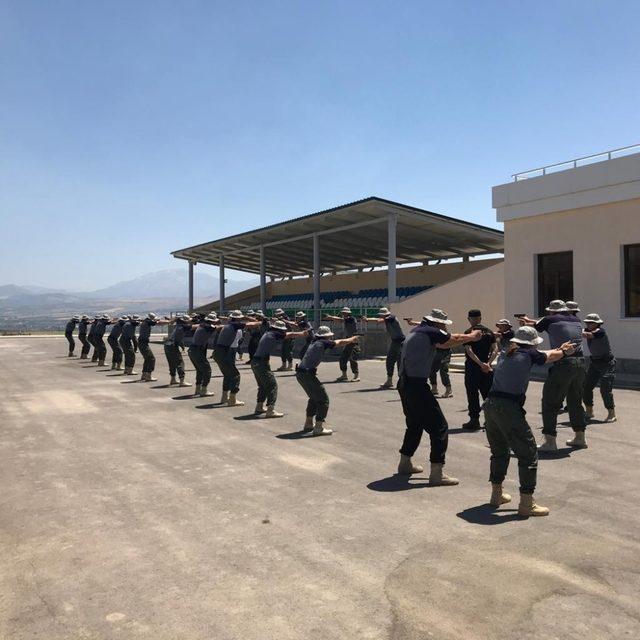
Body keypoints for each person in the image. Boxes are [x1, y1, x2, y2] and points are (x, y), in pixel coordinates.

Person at [483, 326, 575, 517]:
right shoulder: (528, 354)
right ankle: (526, 503)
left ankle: (496, 495)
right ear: (532, 343)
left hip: (491, 405)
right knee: (528, 453)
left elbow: (544, 353)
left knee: (499, 451)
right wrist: (565, 351)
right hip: (508, 407)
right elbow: (549, 357)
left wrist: (559, 348)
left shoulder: (508, 352)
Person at [396, 309, 482, 485]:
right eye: (443, 324)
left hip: (405, 383)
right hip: (417, 386)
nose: (444, 327)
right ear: (437, 323)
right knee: (439, 427)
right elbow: (453, 339)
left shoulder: (418, 331)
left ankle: (405, 463)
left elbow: (443, 344)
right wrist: (472, 336)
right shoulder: (431, 331)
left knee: (415, 424)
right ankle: (436, 473)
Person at [519, 300, 587, 450]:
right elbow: (548, 322)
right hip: (581, 362)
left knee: (550, 402)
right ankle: (580, 437)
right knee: (575, 401)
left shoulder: (549, 319)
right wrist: (532, 320)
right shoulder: (575, 319)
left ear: (551, 311)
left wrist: (524, 323)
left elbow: (536, 327)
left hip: (563, 363)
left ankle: (550, 441)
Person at [295, 326, 359, 436]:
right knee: (323, 400)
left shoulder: (314, 342)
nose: (330, 338)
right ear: (326, 336)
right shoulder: (322, 342)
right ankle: (318, 427)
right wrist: (351, 340)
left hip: (301, 373)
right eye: (329, 336)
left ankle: (309, 423)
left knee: (314, 398)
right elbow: (338, 342)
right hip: (307, 374)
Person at [251, 319, 308, 417]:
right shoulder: (273, 334)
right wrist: (302, 333)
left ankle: (259, 406)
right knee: (272, 385)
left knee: (263, 386)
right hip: (261, 363)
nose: (283, 332)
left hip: (256, 361)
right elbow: (289, 335)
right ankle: (270, 410)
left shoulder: (268, 333)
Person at [213, 311, 262, 406]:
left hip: (219, 352)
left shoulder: (229, 324)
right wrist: (261, 322)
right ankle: (232, 400)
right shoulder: (235, 325)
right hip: (224, 352)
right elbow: (251, 324)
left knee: (228, 375)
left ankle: (224, 397)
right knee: (235, 375)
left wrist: (244, 317)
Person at [462, 309, 498, 430]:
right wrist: (488, 364)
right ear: (480, 318)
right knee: (488, 395)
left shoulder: (469, 333)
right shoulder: (489, 332)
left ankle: (474, 420)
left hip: (473, 367)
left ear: (469, 319)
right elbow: (495, 349)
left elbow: (469, 351)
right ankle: (491, 421)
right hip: (487, 369)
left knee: (472, 394)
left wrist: (480, 364)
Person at [582, 313, 617, 423]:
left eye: (591, 323)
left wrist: (577, 330)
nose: (588, 324)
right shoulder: (586, 330)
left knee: (605, 389)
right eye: (587, 322)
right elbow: (585, 333)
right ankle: (589, 411)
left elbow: (589, 335)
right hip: (595, 363)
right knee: (586, 386)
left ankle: (612, 414)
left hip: (607, 363)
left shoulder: (600, 331)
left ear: (597, 323)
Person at [362, 307, 405, 389]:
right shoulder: (387, 319)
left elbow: (378, 320)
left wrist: (368, 319)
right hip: (395, 342)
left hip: (401, 342)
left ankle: (402, 382)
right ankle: (389, 381)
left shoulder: (392, 317)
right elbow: (380, 320)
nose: (381, 316)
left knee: (400, 363)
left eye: (382, 315)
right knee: (389, 361)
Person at [323, 307, 360, 382]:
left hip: (353, 341)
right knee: (343, 358)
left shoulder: (351, 318)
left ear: (348, 313)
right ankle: (344, 375)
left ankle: (356, 376)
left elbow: (340, 320)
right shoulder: (347, 319)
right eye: (343, 312)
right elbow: (341, 320)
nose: (343, 314)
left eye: (344, 313)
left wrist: (331, 317)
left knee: (352, 358)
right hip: (348, 340)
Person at [188, 313, 219, 397]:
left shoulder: (202, 325)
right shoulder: (208, 327)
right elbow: (218, 328)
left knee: (200, 370)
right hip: (197, 350)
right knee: (207, 370)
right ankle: (204, 390)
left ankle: (198, 389)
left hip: (193, 350)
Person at [137, 312, 173, 382]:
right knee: (151, 359)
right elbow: (158, 323)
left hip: (142, 342)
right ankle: (148, 375)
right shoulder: (148, 322)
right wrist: (169, 321)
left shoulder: (145, 321)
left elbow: (156, 321)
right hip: (143, 343)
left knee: (147, 359)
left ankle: (144, 374)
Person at [164, 314, 193, 387]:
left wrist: (182, 346)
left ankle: (173, 379)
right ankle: (182, 381)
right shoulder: (184, 326)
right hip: (172, 346)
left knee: (172, 363)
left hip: (168, 345)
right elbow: (194, 326)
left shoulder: (178, 326)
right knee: (180, 363)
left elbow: (178, 338)